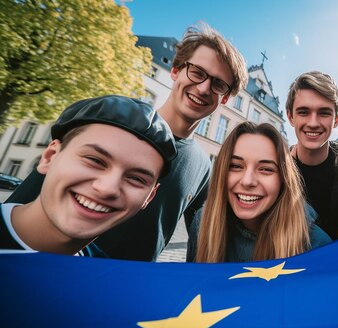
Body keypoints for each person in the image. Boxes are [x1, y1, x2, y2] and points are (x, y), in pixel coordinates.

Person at [8, 23, 248, 261]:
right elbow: (21, 207)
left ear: (224, 97)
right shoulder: (109, 125)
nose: (204, 88)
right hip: (51, 268)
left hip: (127, 287)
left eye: (218, 84)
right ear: (175, 70)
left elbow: (205, 238)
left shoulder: (202, 165)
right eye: (197, 72)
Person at [0, 95, 176, 254]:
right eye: (95, 160)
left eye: (136, 178)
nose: (107, 188)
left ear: (149, 197)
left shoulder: (107, 285)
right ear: (50, 157)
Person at [193, 122, 331, 263]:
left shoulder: (317, 245)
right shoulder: (203, 222)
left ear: (283, 179)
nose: (247, 181)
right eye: (235, 166)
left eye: (265, 169)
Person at [285, 71, 338, 240]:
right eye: (303, 112)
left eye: (324, 113)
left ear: (337, 119)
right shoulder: (276, 171)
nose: (313, 123)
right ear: (290, 117)